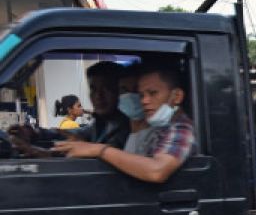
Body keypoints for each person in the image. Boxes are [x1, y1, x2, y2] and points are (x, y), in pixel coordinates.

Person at [55, 60, 195, 183]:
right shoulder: (152, 125)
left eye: (152, 93)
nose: (144, 101)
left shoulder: (181, 128)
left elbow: (157, 171)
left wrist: (99, 150)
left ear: (177, 96)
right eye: (141, 95)